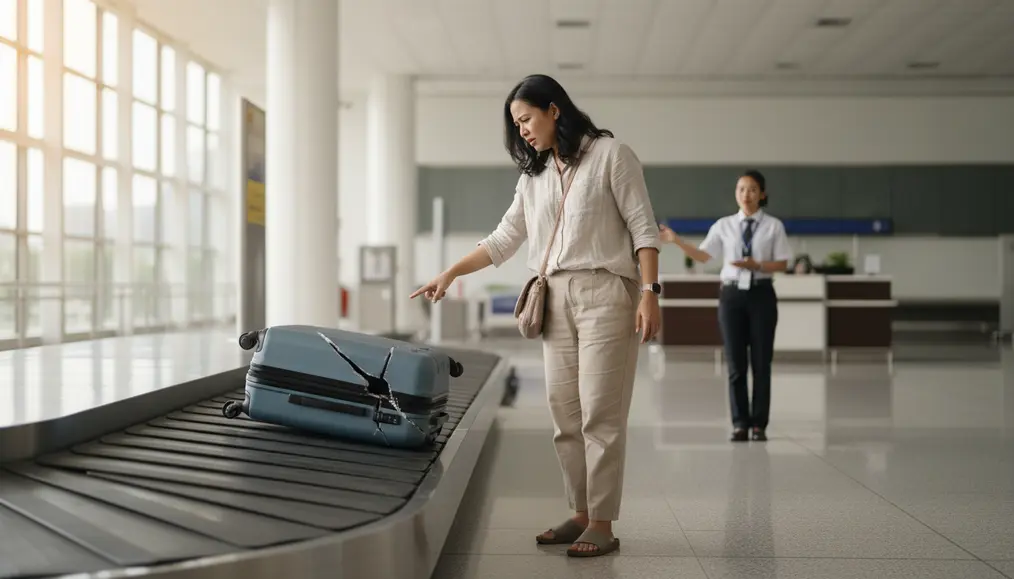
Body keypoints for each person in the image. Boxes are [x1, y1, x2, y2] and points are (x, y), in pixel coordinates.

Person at [411, 74, 662, 558]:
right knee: (564, 413)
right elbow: (504, 238)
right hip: (554, 297)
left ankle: (604, 523)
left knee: (600, 412)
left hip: (608, 292)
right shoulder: (535, 176)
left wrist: (650, 292)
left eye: (526, 119)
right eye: (516, 124)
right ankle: (581, 512)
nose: (522, 130)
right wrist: (451, 272)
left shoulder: (612, 156)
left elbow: (643, 229)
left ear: (554, 110)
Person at [659, 170, 792, 442]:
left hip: (761, 295)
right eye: (741, 189)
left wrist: (758, 265)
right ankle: (740, 423)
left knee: (761, 363)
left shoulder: (773, 226)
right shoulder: (724, 225)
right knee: (735, 363)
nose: (747, 194)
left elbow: (783, 263)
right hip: (732, 297)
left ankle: (759, 425)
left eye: (753, 189)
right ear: (736, 194)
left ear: (762, 194)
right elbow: (704, 256)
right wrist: (677, 241)